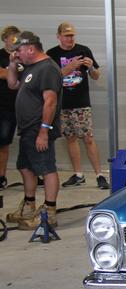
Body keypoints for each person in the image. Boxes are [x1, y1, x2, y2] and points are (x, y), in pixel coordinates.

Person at [5, 31, 62, 229]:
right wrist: (13, 64)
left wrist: (44, 131)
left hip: (39, 128)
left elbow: (51, 102)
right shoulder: (31, 67)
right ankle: (29, 204)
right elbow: (13, 84)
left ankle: (49, 212)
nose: (17, 54)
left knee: (46, 168)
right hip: (27, 129)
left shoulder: (47, 68)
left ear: (31, 48)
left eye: (19, 50)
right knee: (25, 166)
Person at [46, 22, 108, 189]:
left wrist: (90, 68)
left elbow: (96, 76)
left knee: (88, 138)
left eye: (72, 35)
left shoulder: (83, 49)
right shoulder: (51, 54)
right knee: (70, 138)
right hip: (62, 103)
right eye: (66, 35)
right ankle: (78, 174)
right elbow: (50, 78)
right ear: (58, 36)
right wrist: (69, 67)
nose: (70, 38)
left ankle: (99, 175)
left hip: (81, 102)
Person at [0, 25, 21, 190]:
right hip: (4, 105)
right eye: (12, 37)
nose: (15, 40)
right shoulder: (1, 55)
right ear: (5, 38)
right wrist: (14, 72)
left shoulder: (23, 55)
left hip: (24, 105)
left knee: (30, 141)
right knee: (3, 142)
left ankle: (34, 175)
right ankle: (2, 176)